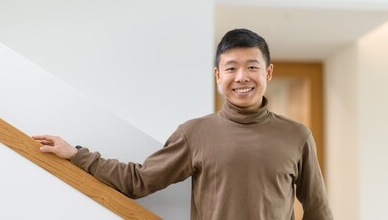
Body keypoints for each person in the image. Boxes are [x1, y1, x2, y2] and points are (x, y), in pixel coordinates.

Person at [33, 28, 333, 220]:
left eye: (252, 67)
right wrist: (76, 155)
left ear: (267, 73)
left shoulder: (297, 136)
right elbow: (139, 181)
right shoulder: (195, 134)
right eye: (231, 68)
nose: (242, 77)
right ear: (218, 76)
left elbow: (319, 211)